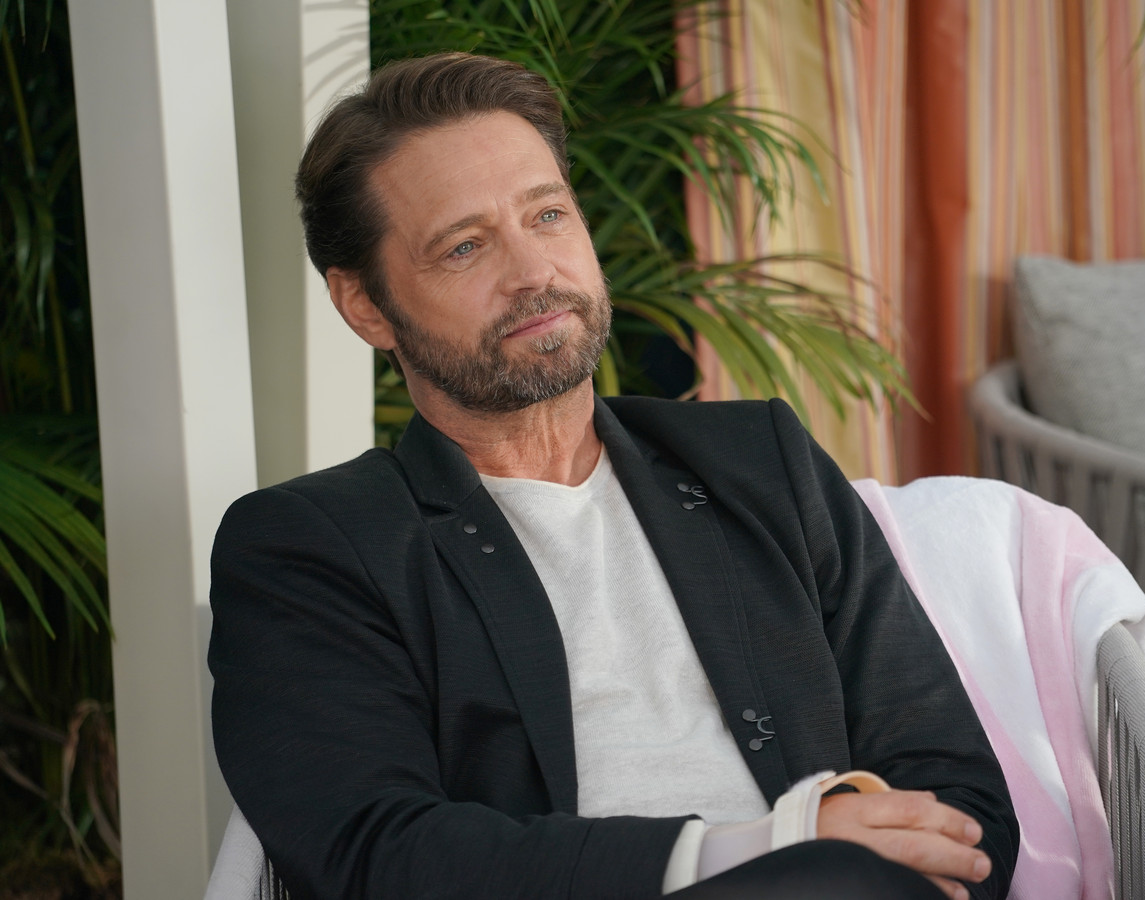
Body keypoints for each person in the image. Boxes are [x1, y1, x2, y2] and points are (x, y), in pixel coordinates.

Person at [209, 52, 1017, 900]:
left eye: (548, 215)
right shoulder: (312, 546)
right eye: (465, 247)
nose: (534, 273)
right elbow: (376, 853)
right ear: (367, 306)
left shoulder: (760, 459)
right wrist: (766, 848)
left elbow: (958, 789)